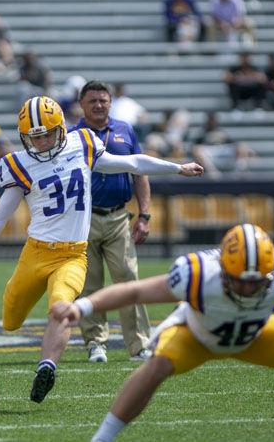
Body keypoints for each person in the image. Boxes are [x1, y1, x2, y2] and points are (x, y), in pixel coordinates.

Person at [0, 96, 203, 404]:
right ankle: (40, 348)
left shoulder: (83, 142)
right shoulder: (18, 163)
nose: (43, 141)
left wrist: (177, 168)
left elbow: (131, 163)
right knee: (11, 320)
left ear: (61, 128)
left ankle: (47, 366)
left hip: (73, 255)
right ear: (24, 137)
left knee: (62, 309)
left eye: (47, 133)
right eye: (35, 136)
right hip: (36, 253)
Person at [53, 223, 274, 442]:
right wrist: (83, 308)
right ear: (223, 269)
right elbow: (134, 291)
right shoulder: (199, 276)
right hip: (197, 336)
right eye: (240, 280)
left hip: (256, 335)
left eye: (255, 282)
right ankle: (102, 438)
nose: (247, 287)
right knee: (157, 365)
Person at [71, 81, 152, 364]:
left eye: (103, 100)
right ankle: (96, 343)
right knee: (89, 284)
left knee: (128, 279)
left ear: (110, 102)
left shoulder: (125, 130)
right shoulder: (71, 136)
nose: (98, 105)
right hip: (84, 219)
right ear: (82, 105)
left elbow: (140, 173)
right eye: (92, 100)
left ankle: (139, 344)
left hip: (119, 217)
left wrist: (144, 214)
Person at [192, 111, 255, 178]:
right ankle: (213, 172)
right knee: (198, 149)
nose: (212, 121)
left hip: (222, 149)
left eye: (213, 119)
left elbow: (232, 143)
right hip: (209, 151)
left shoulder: (220, 131)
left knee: (241, 146)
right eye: (210, 119)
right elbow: (195, 146)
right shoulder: (203, 132)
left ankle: (237, 173)